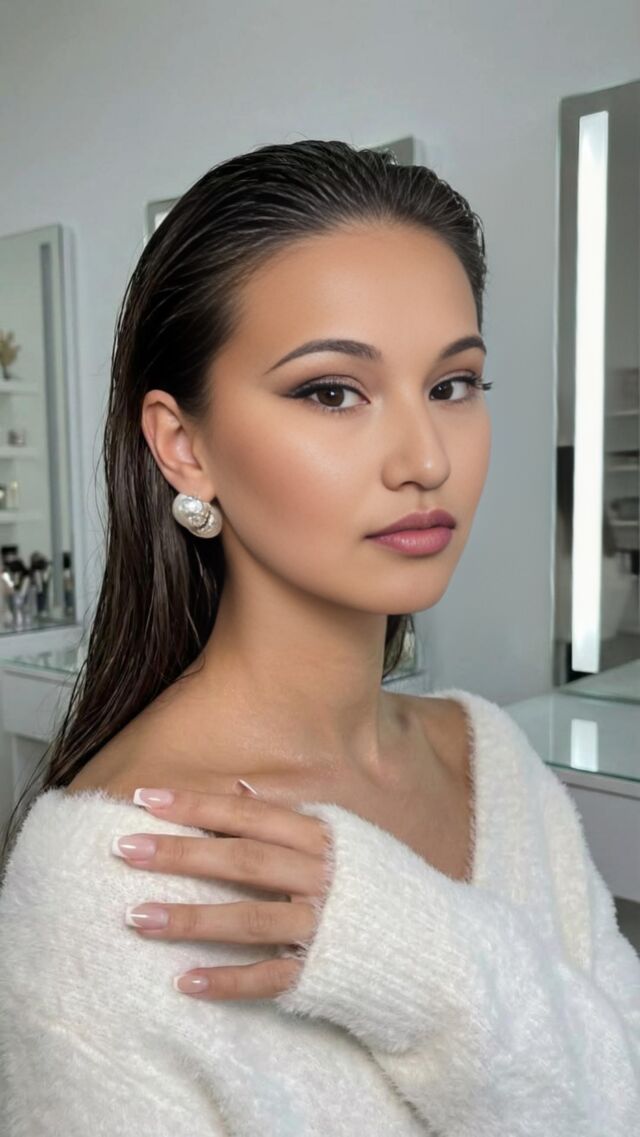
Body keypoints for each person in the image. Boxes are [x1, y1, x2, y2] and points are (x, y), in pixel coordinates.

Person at [0, 139, 638, 1136]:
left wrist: (423, 957)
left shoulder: (492, 759)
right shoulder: (111, 878)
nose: (425, 459)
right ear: (184, 446)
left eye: (453, 384)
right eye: (332, 391)